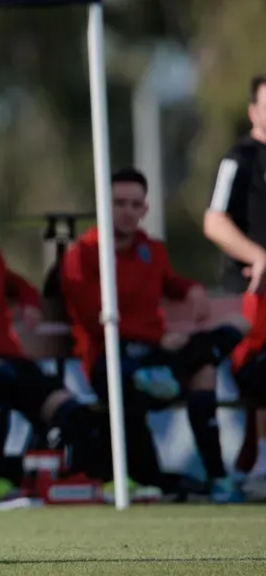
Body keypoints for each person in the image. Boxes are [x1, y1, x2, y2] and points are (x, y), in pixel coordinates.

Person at [63, 167, 241, 501]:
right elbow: (95, 319)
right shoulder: (83, 256)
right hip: (113, 360)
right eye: (119, 203)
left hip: (156, 355)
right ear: (103, 205)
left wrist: (193, 291)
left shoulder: (151, 250)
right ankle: (152, 475)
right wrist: (156, 338)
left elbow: (171, 283)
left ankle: (219, 478)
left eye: (135, 204)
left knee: (222, 344)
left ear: (145, 209)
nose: (127, 211)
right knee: (193, 365)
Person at [0, 183, 88, 498]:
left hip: (9, 358)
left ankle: (43, 475)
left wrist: (30, 303)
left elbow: (18, 284)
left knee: (69, 408)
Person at [203, 75, 266, 482]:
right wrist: (258, 255)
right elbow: (214, 221)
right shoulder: (240, 158)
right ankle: (256, 465)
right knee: (260, 371)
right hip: (252, 298)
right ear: (253, 112)